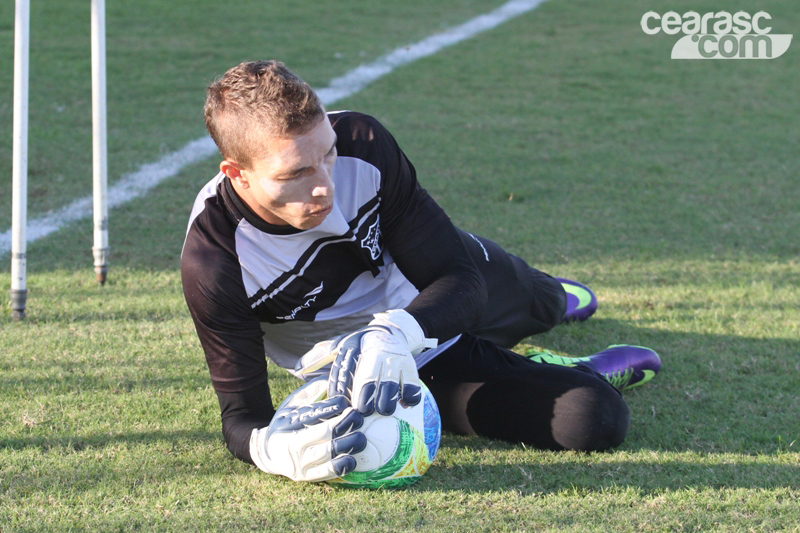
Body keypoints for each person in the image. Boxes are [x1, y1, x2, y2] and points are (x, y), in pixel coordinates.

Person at [181, 60, 661, 482]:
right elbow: (243, 418)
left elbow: (458, 278)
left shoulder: (363, 142)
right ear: (236, 174)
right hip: (380, 368)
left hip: (430, 296)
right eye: (294, 174)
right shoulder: (215, 260)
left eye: (326, 154)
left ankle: (543, 308)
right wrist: (275, 450)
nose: (325, 186)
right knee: (592, 418)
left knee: (544, 302)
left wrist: (396, 330)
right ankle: (568, 369)